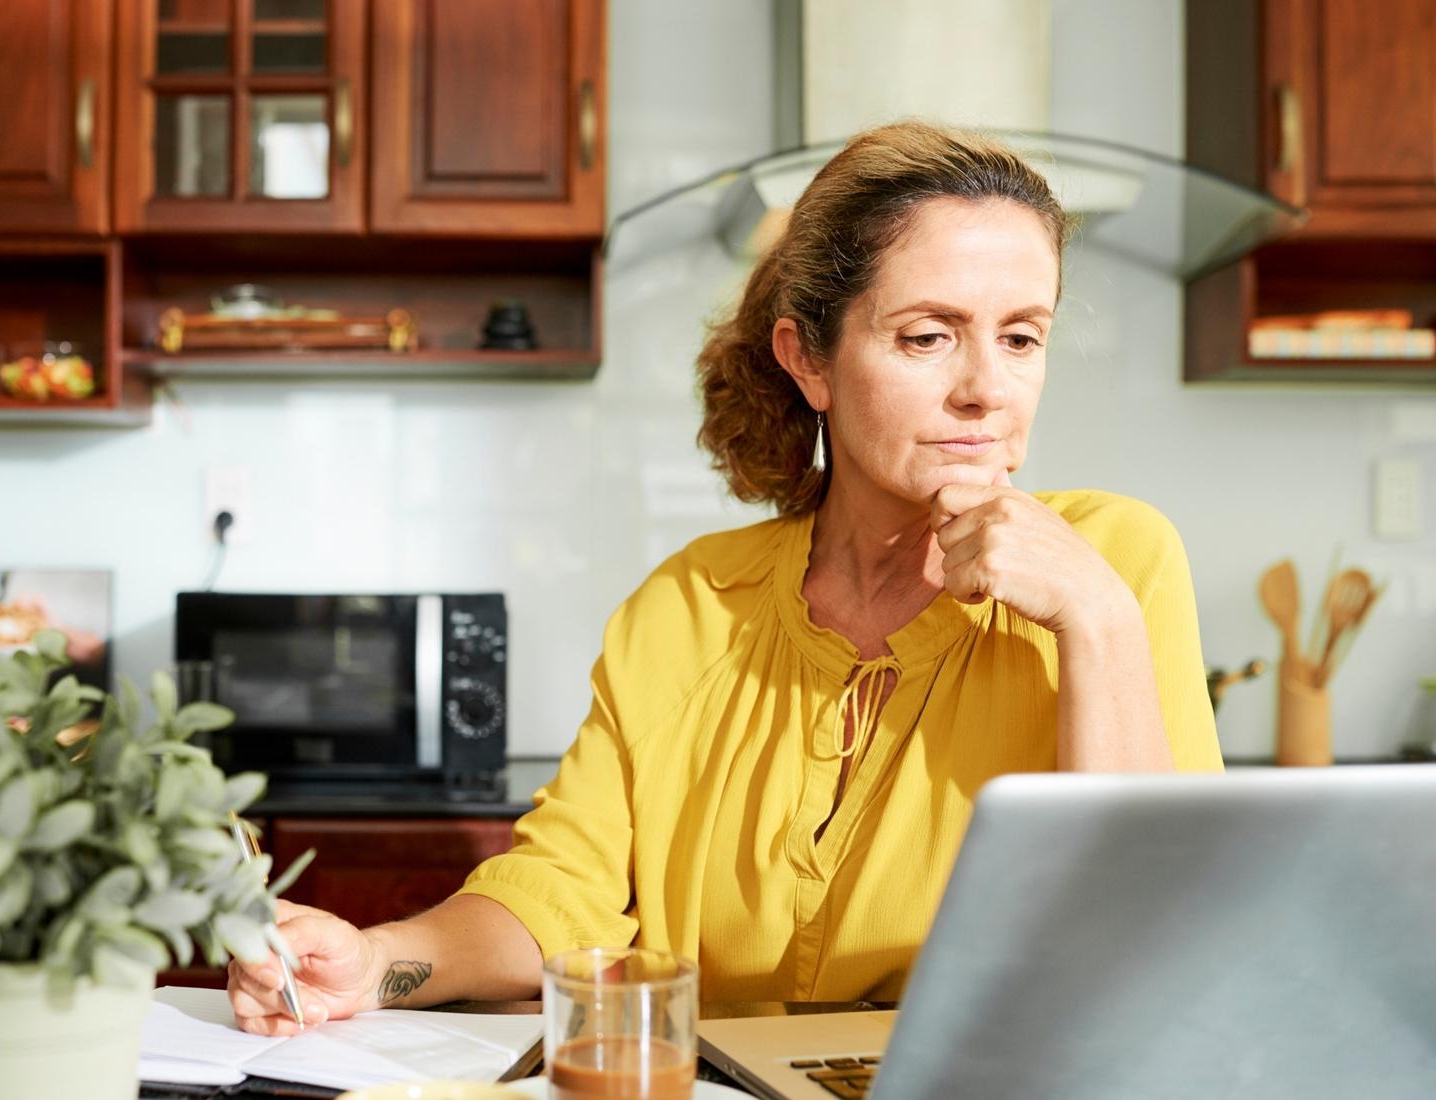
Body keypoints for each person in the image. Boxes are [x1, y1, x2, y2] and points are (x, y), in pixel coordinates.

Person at [228, 121, 1223, 1035]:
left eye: (1020, 335)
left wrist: (1093, 618)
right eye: (927, 335)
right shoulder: (690, 603)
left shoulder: (1111, 561)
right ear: (808, 359)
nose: (984, 389)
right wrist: (376, 958)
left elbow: (1154, 947)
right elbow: (562, 888)